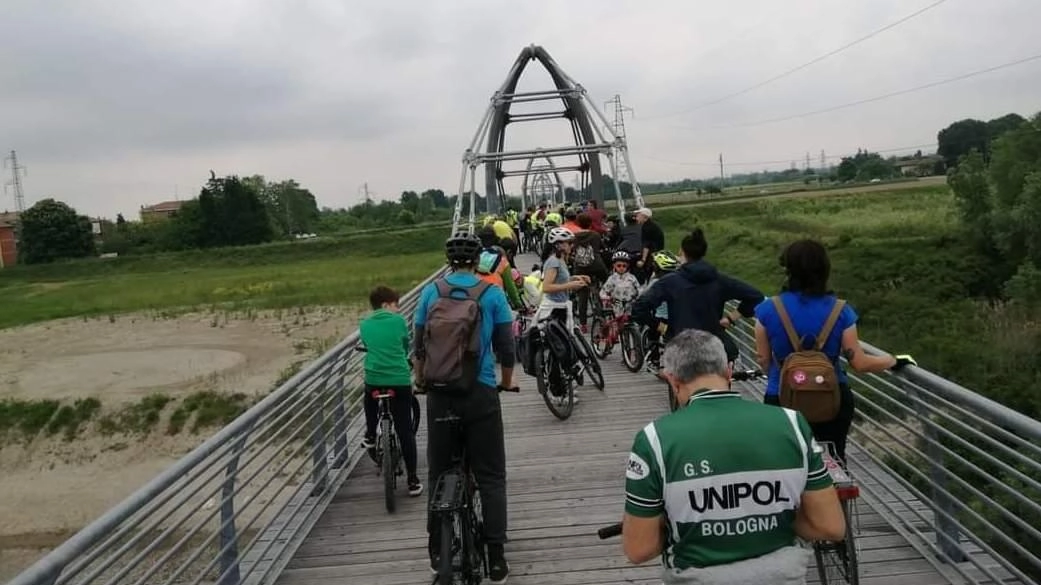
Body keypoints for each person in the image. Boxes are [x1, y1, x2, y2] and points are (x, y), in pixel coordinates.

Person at [622, 329, 847, 585]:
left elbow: (638, 549)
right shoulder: (792, 423)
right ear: (729, 371)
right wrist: (773, 519)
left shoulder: (653, 439)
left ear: (672, 381)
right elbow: (831, 527)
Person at [413, 231, 516, 584]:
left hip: (440, 393)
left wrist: (421, 379)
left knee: (438, 471)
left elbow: (418, 344)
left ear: (449, 260)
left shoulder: (431, 291)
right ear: (477, 261)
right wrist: (505, 381)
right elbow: (506, 345)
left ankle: (436, 550)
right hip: (480, 391)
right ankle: (497, 557)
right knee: (490, 475)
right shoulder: (492, 293)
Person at [754, 239, 915, 463]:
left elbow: (763, 359)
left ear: (788, 270)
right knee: (835, 458)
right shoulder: (841, 310)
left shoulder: (767, 310)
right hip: (831, 398)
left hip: (781, 398)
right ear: (824, 269)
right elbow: (859, 362)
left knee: (787, 462)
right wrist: (891, 360)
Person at [632, 228, 765, 367]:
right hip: (712, 346)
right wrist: (730, 318)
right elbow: (755, 296)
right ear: (703, 253)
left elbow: (639, 308)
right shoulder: (719, 280)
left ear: (681, 252)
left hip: (682, 346)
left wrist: (662, 327)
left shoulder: (670, 282)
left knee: (683, 384)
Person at [358, 286, 423, 497]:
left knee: (369, 397)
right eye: (396, 305)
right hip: (399, 379)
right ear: (386, 304)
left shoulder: (364, 324)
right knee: (404, 428)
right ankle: (412, 480)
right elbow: (404, 345)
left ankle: (370, 432)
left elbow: (368, 344)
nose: (398, 309)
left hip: (374, 377)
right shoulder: (399, 322)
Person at [535, 226, 590, 405]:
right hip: (553, 310)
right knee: (558, 350)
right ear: (558, 245)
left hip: (561, 307)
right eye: (568, 243)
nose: (571, 246)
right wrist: (570, 286)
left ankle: (566, 383)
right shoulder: (553, 262)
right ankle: (557, 391)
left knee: (564, 346)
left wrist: (576, 277)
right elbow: (547, 287)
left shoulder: (560, 260)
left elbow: (560, 280)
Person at [572, 213, 608, 333]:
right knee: (608, 283)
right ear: (590, 223)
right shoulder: (595, 235)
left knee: (582, 294)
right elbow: (602, 248)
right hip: (597, 266)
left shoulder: (574, 237)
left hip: (581, 269)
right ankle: (607, 306)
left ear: (578, 224)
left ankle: (583, 324)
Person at [477, 226, 523, 309]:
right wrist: (519, 305)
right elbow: (511, 288)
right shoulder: (502, 261)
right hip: (497, 301)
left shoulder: (476, 259)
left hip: (477, 301)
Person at [634, 207, 665, 283]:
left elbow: (646, 246)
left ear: (645, 217)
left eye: (638, 215)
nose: (636, 217)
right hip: (657, 254)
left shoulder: (647, 227)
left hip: (653, 256)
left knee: (649, 275)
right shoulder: (651, 225)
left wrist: (643, 260)